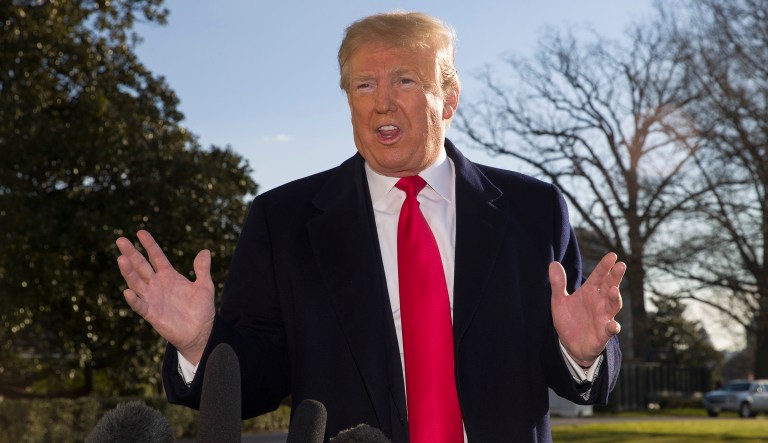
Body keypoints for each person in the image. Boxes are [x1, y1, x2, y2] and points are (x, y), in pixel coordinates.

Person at [115, 11, 624, 442]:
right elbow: (259, 381)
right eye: (364, 85)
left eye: (404, 80)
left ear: (449, 98)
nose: (382, 101)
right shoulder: (283, 220)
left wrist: (580, 353)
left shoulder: (532, 210)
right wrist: (201, 343)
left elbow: (576, 368)